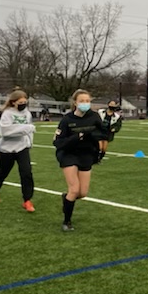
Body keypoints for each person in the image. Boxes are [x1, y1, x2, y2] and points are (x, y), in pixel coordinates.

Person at [54, 89, 104, 231]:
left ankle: (67, 198)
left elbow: (101, 134)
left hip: (86, 155)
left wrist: (97, 143)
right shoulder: (67, 120)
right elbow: (58, 142)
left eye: (87, 101)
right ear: (75, 103)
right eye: (82, 101)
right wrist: (77, 137)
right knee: (74, 189)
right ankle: (67, 222)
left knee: (82, 193)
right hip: (68, 154)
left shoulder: (94, 117)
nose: (85, 104)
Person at [0, 89, 37, 211]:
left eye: (25, 101)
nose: (23, 104)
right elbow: (5, 132)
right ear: (14, 102)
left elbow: (29, 130)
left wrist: (29, 142)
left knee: (26, 173)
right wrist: (25, 128)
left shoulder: (27, 114)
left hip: (22, 147)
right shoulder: (7, 114)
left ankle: (27, 200)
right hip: (7, 149)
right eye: (20, 102)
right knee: (3, 172)